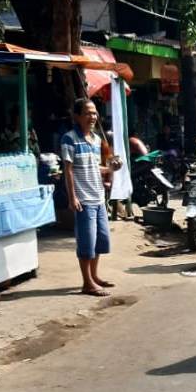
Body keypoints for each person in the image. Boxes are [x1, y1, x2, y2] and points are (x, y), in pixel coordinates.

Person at [61, 99, 114, 296]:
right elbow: (68, 170)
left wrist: (110, 169)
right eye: (87, 113)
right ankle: (87, 282)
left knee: (100, 240)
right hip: (83, 199)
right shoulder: (69, 139)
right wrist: (72, 197)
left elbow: (95, 167)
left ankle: (94, 275)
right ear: (77, 116)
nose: (92, 117)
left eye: (94, 113)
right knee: (86, 242)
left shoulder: (97, 140)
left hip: (98, 197)